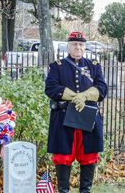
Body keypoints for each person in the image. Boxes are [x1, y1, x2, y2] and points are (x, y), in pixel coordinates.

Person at [45, 32, 108, 193]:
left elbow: (102, 88)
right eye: (74, 44)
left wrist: (84, 96)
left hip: (88, 117)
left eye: (81, 45)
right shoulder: (57, 66)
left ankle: (85, 191)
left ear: (84, 47)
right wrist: (75, 97)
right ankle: (63, 191)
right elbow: (51, 88)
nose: (78, 47)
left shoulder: (94, 65)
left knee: (88, 156)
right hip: (63, 118)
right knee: (63, 157)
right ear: (68, 47)